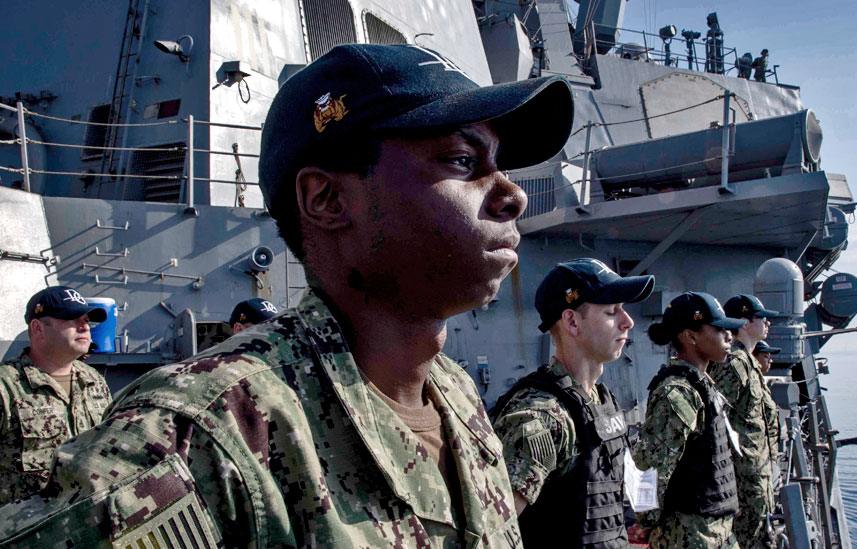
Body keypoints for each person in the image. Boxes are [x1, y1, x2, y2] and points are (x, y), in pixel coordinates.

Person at [0, 44, 574, 547]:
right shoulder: (205, 437)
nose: (512, 195)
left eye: (499, 165)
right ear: (326, 199)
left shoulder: (456, 396)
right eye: (463, 161)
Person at [491, 258, 654, 548]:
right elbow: (492, 528)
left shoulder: (602, 400)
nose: (627, 322)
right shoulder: (543, 417)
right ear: (572, 322)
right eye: (611, 312)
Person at [633, 292, 746, 548]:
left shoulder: (702, 384)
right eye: (719, 329)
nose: (729, 336)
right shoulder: (678, 392)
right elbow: (651, 466)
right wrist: (647, 522)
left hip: (716, 530)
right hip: (690, 534)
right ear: (690, 336)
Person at [0, 286, 113, 505]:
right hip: (24, 532)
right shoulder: (6, 387)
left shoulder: (93, 381)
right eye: (71, 318)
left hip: (87, 523)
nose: (84, 326)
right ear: (38, 328)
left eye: (86, 319)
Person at [707, 295, 780, 548]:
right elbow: (713, 418)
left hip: (756, 474)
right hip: (742, 478)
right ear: (745, 323)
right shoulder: (735, 364)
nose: (768, 322)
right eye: (761, 318)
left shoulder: (749, 363)